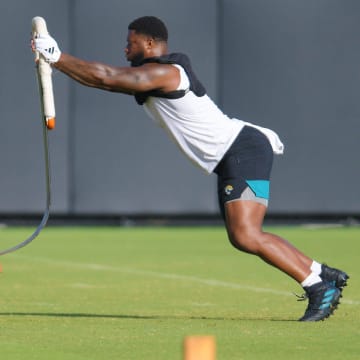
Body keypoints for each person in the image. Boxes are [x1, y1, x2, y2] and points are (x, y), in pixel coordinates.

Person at [32, 16, 349, 321]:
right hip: (236, 153)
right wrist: (58, 63)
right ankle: (322, 273)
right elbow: (104, 81)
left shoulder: (168, 72)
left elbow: (109, 77)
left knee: (245, 234)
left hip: (242, 150)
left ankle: (317, 287)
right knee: (244, 235)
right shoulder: (153, 74)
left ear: (151, 42)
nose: (125, 49)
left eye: (131, 43)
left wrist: (57, 56)